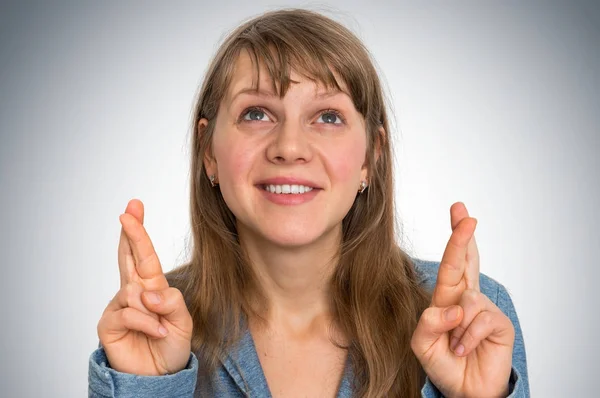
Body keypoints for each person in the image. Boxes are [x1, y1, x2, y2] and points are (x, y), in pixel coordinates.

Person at [88, 8, 529, 398]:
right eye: (256, 113)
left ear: (370, 158)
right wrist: (148, 390)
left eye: (328, 117)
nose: (290, 146)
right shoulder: (150, 326)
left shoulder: (471, 318)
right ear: (209, 153)